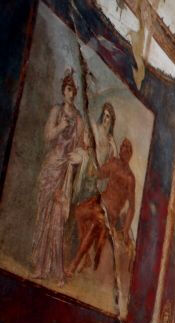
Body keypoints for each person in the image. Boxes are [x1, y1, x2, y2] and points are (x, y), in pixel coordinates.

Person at [31, 69, 87, 282]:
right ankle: (39, 266)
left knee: (58, 219)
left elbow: (82, 147)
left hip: (65, 171)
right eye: (68, 89)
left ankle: (56, 269)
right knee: (45, 215)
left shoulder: (80, 119)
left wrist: (82, 155)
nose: (71, 94)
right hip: (52, 166)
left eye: (73, 90)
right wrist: (60, 127)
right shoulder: (56, 111)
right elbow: (47, 135)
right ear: (63, 90)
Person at [68, 138, 136, 277]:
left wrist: (126, 229)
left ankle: (73, 265)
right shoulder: (114, 163)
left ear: (130, 154)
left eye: (127, 148)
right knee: (79, 211)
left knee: (94, 224)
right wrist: (93, 156)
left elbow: (132, 208)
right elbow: (98, 175)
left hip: (110, 214)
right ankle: (86, 257)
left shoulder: (130, 178)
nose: (124, 149)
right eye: (123, 146)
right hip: (98, 203)